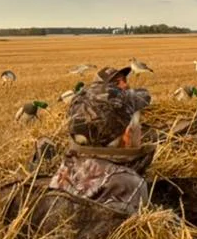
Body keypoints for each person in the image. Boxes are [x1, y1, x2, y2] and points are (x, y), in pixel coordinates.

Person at [48, 65, 154, 212]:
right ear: (127, 134)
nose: (141, 130)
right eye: (139, 126)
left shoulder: (66, 169)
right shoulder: (130, 184)